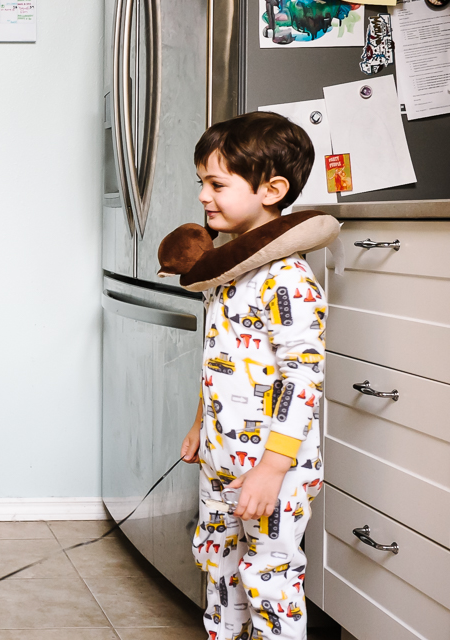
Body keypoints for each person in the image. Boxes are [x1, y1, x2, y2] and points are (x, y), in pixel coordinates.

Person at [178, 112, 326, 640]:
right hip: (220, 456)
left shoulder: (287, 277)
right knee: (218, 566)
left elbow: (302, 375)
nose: (203, 196)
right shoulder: (227, 271)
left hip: (271, 466)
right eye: (201, 183)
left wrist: (272, 466)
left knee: (269, 579)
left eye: (216, 183)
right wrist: (201, 424)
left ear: (272, 189)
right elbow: (218, 357)